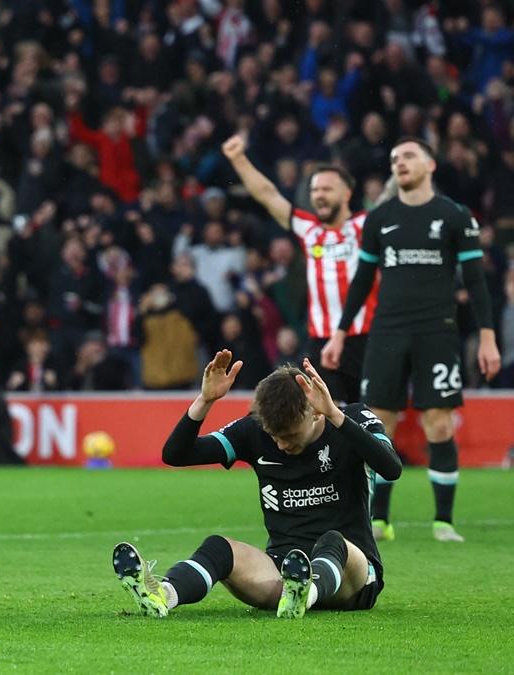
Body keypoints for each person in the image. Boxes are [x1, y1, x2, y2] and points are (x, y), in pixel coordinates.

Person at [112, 351, 402, 619]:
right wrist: (205, 401)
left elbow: (391, 468)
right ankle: (162, 595)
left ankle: (305, 593)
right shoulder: (254, 430)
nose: (280, 444)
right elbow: (175, 455)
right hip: (283, 569)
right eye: (274, 435)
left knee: (332, 541)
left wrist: (336, 416)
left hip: (354, 576)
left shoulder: (353, 418)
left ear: (315, 412)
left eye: (288, 435)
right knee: (219, 548)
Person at [322, 137, 502, 543]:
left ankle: (443, 521)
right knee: (378, 423)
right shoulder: (380, 218)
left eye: (408, 156)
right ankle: (380, 520)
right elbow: (363, 279)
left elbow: (475, 280)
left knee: (438, 424)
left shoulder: (455, 216)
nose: (399, 163)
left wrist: (488, 337)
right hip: (386, 331)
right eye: (394, 159)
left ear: (430, 165)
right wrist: (340, 331)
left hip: (437, 330)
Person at [222, 134, 377, 403]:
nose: (319, 195)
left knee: (371, 416)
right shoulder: (309, 230)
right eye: (315, 190)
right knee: (322, 417)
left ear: (347, 194)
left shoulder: (366, 225)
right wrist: (239, 159)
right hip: (320, 340)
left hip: (367, 338)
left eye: (327, 189)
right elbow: (268, 195)